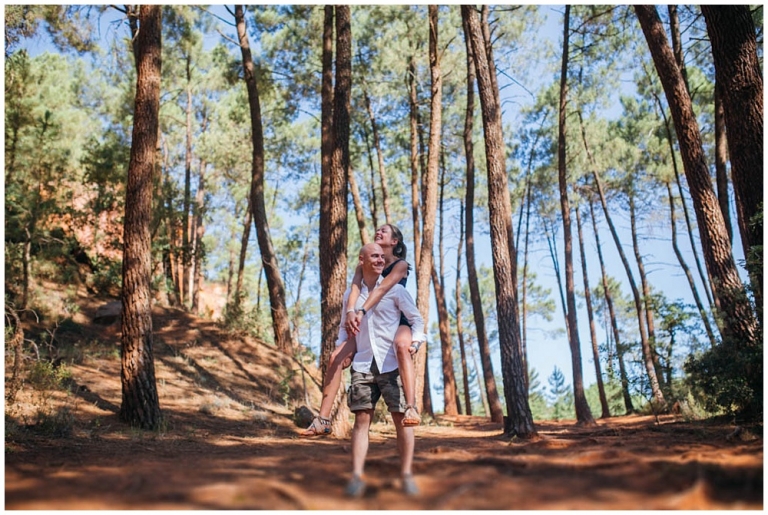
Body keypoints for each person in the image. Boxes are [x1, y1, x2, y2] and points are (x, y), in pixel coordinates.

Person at [301, 224, 421, 437]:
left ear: (394, 242)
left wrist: (361, 311)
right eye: (378, 229)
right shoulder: (364, 264)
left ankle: (411, 405)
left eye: (385, 231)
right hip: (366, 323)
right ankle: (323, 420)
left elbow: (383, 289)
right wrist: (350, 312)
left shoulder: (399, 265)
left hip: (395, 318)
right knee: (335, 358)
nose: (379, 231)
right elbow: (355, 288)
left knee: (401, 345)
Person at [342, 242, 425, 498]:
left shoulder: (395, 291)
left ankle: (407, 475)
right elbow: (343, 327)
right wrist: (341, 350)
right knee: (362, 421)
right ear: (362, 259)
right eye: (374, 256)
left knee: (402, 421)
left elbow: (416, 319)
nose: (380, 260)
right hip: (364, 364)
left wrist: (416, 341)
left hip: (391, 365)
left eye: (382, 256)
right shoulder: (352, 296)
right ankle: (357, 476)